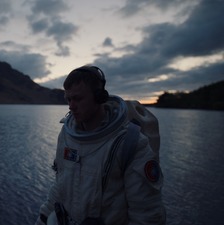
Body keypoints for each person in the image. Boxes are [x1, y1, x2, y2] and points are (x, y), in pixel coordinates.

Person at [35, 65, 166, 225]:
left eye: (78, 99)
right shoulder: (67, 135)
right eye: (68, 99)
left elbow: (147, 215)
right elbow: (60, 184)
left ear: (99, 97)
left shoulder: (129, 142)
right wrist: (42, 218)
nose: (71, 106)